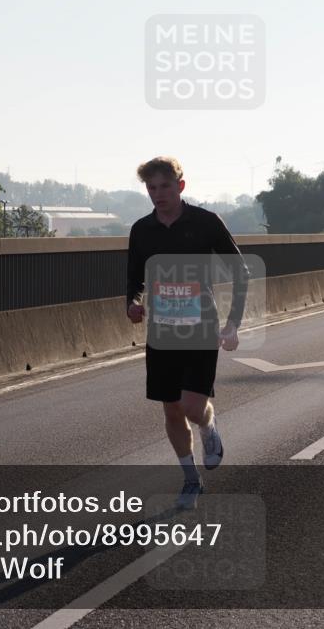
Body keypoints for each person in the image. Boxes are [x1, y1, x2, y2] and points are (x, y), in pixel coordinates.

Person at [126, 156, 249, 510]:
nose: (158, 194)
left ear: (181, 185)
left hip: (201, 327)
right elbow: (134, 278)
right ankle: (191, 481)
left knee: (193, 406)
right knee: (171, 411)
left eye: (165, 186)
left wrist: (233, 322)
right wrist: (132, 304)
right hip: (161, 331)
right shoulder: (142, 230)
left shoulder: (206, 222)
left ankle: (209, 428)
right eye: (151, 188)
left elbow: (240, 272)